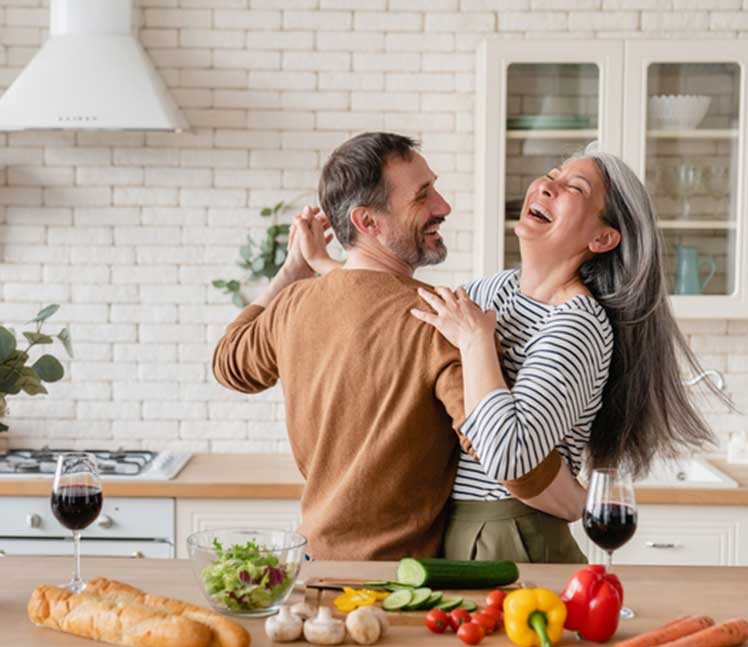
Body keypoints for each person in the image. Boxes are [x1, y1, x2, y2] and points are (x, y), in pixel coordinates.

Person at [302, 148, 721, 562]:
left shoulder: (577, 324)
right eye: (551, 175)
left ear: (602, 237)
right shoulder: (494, 291)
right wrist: (328, 265)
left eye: (573, 187)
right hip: (453, 529)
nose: (546, 186)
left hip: (514, 534)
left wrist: (477, 344)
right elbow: (409, 312)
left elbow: (510, 455)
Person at [211, 132, 568, 561]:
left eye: (434, 186)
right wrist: (583, 502)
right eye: (422, 196)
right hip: (395, 585)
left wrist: (293, 270)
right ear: (368, 222)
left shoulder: (293, 305)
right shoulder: (437, 320)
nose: (443, 206)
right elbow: (509, 459)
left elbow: (229, 364)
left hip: (310, 567)